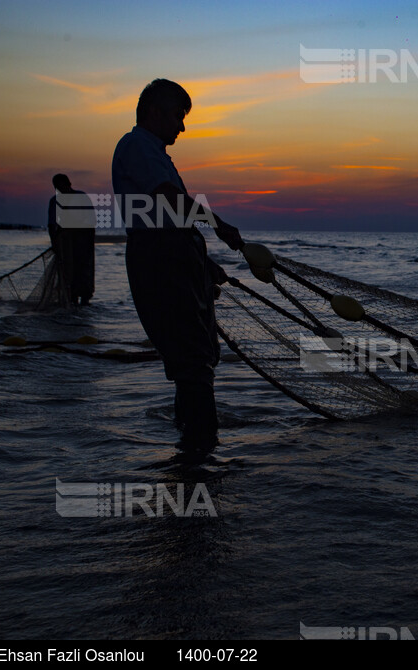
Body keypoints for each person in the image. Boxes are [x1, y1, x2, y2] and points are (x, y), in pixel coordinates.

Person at [112, 79, 243, 453]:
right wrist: (218, 224)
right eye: (177, 116)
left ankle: (192, 449)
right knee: (191, 360)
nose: (182, 127)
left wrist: (205, 262)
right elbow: (170, 200)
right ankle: (200, 453)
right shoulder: (136, 144)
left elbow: (171, 218)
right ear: (153, 111)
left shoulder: (153, 151)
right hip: (160, 260)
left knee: (195, 360)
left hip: (173, 256)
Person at [47, 173, 95, 306]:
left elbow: (91, 220)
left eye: (62, 185)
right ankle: (72, 301)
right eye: (57, 187)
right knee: (68, 273)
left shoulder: (81, 197)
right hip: (65, 242)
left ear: (69, 184)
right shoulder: (55, 201)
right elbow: (52, 225)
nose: (60, 189)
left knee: (84, 271)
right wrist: (54, 243)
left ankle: (84, 303)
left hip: (83, 241)